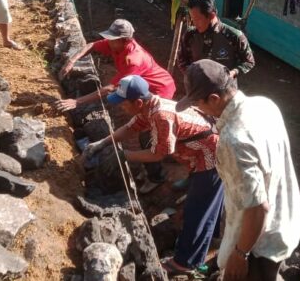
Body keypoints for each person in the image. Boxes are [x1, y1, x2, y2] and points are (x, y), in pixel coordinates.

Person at [176, 59, 300, 281]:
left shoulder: (232, 139)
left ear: (214, 99)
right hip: (283, 221)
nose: (199, 110)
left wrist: (240, 253)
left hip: (258, 244)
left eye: (198, 104)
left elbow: (257, 208)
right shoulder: (265, 104)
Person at [83, 75, 223, 276]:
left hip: (211, 159)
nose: (120, 108)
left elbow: (160, 153)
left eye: (122, 104)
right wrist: (103, 142)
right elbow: (131, 127)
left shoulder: (161, 115)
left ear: (137, 102)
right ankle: (211, 237)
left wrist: (125, 155)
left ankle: (187, 262)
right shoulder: (149, 106)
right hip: (199, 156)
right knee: (206, 202)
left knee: (198, 209)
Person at [55, 19, 176, 111]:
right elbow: (91, 46)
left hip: (160, 88)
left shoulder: (133, 60)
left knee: (151, 115)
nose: (108, 41)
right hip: (143, 82)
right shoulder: (115, 44)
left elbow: (111, 88)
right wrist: (71, 61)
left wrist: (77, 102)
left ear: (126, 40)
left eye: (113, 38)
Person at [177, 0, 255, 78]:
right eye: (192, 19)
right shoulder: (190, 35)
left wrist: (233, 73)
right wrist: (192, 75)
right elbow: (182, 59)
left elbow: (249, 62)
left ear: (212, 15)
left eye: (198, 19)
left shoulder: (234, 36)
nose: (194, 23)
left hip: (225, 89)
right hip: (197, 89)